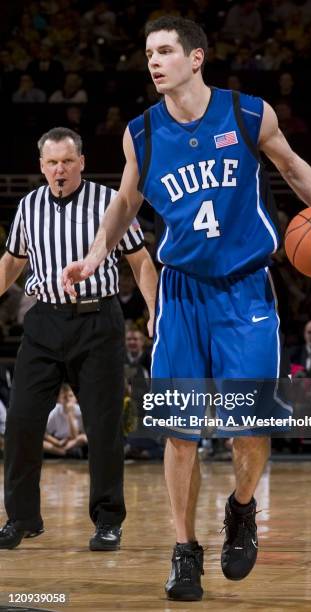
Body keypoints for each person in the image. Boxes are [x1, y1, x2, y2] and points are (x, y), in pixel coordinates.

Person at [62, 17, 311, 601]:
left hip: (245, 288)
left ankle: (242, 508)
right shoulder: (141, 133)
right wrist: (97, 251)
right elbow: (125, 200)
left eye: (166, 50)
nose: (154, 60)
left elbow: (293, 167)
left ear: (196, 58)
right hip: (181, 292)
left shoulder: (248, 113)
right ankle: (184, 550)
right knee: (180, 432)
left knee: (250, 428)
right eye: (149, 52)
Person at [0, 127, 158, 551]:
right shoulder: (28, 206)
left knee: (104, 426)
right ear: (41, 167)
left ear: (82, 163)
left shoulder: (109, 202)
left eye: (67, 161)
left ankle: (108, 521)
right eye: (51, 163)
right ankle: (22, 518)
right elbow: (13, 263)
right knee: (20, 420)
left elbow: (141, 261)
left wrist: (154, 311)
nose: (60, 170)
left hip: (97, 322)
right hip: (44, 322)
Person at [43, 384, 87, 457]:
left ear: (75, 398)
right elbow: (45, 434)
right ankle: (62, 452)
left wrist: (70, 415)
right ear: (59, 399)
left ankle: (63, 451)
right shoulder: (54, 412)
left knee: (83, 438)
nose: (68, 400)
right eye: (64, 397)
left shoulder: (80, 412)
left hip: (74, 441)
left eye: (70, 396)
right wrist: (57, 443)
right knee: (40, 443)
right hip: (58, 441)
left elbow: (75, 436)